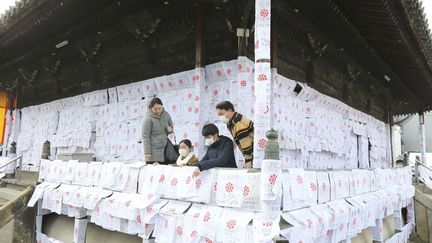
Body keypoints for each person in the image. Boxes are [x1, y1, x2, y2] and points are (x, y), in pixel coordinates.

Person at [216, 101, 254, 168]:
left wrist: (248, 160)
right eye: (219, 115)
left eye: (221, 114)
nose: (220, 117)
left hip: (254, 154)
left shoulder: (237, 123)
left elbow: (246, 143)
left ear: (230, 111)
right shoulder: (232, 122)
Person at [142, 97, 174, 164]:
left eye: (160, 108)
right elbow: (145, 137)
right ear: (151, 108)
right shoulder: (147, 119)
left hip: (165, 150)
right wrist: (147, 153)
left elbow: (171, 128)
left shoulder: (166, 115)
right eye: (155, 109)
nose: (158, 111)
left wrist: (169, 130)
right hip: (154, 152)